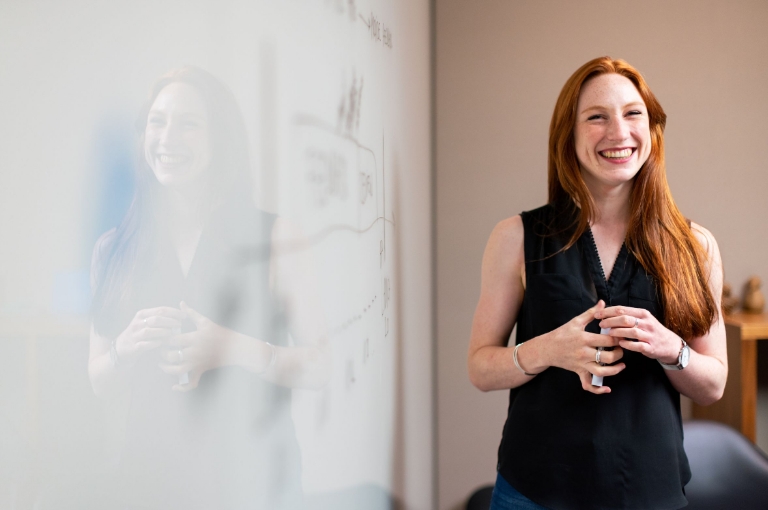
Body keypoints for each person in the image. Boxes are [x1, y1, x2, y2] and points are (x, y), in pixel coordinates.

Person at [467, 57, 727, 510]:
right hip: (534, 493)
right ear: (568, 134)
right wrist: (548, 350)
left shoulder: (696, 246)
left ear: (652, 129)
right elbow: (480, 368)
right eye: (596, 117)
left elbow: (713, 384)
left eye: (632, 113)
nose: (618, 132)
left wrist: (671, 349)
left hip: (651, 493)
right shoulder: (515, 237)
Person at [88, 66, 329, 509]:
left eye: (189, 124)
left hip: (255, 480)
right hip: (149, 481)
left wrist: (232, 348)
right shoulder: (113, 248)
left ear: (222, 140)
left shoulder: (277, 238)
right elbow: (99, 377)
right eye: (157, 122)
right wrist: (125, 346)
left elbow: (321, 366)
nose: (168, 138)